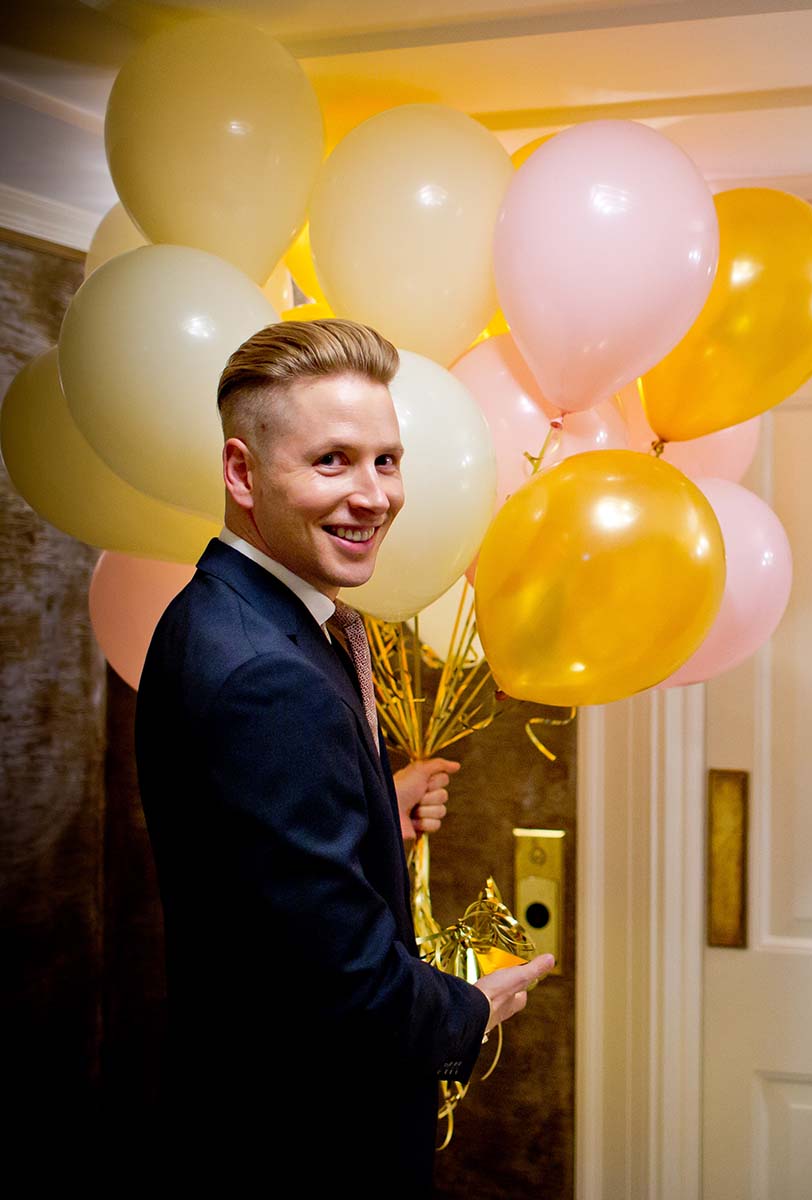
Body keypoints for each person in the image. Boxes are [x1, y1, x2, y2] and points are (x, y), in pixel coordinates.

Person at [135, 318, 553, 1178]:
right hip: (302, 1145)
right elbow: (346, 989)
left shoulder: (224, 612)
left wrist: (369, 807)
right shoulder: (264, 673)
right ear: (241, 472)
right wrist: (468, 1010)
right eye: (332, 460)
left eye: (386, 460)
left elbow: (251, 867)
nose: (374, 496)